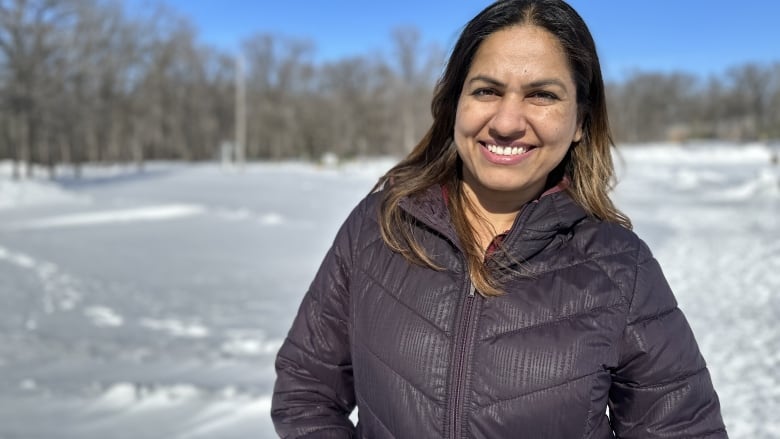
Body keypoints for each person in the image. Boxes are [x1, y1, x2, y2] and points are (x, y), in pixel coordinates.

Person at [271, 0, 727, 437]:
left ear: (581, 122)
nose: (507, 122)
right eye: (487, 90)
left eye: (542, 95)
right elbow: (305, 391)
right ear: (455, 104)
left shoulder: (620, 268)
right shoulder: (379, 228)